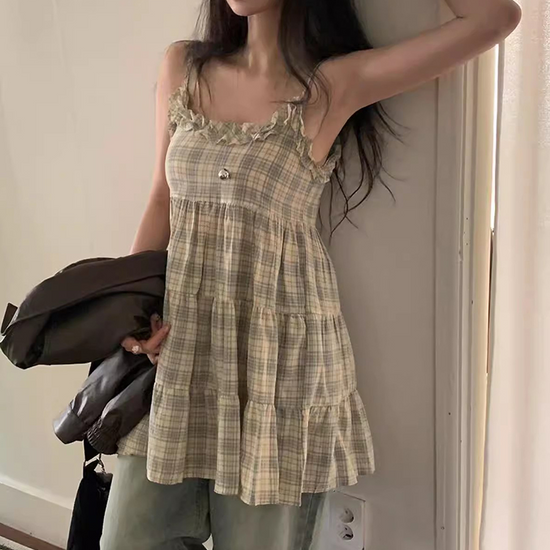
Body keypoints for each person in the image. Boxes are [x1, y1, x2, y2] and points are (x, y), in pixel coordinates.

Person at [101, 0, 521, 548]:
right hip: (182, 351)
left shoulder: (331, 86)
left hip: (276, 367)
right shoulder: (184, 67)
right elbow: (161, 199)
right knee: (127, 539)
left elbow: (494, 19)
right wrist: (129, 313)